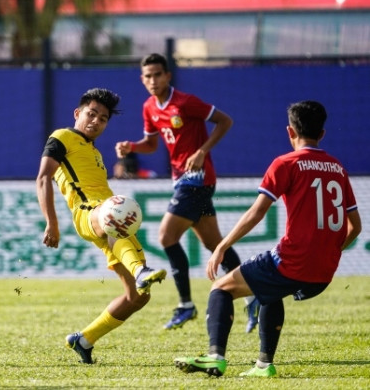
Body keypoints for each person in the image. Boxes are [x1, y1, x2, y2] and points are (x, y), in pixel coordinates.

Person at [174, 100, 361, 377]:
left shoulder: (285, 163)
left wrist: (222, 246)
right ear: (322, 133)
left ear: (289, 132)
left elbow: (257, 211)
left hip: (293, 261)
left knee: (221, 287)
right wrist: (328, 251)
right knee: (270, 290)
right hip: (324, 271)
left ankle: (215, 357)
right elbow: (354, 227)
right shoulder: (337, 168)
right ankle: (264, 365)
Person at [116, 53, 259, 332]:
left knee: (166, 236)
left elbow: (225, 121)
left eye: (158, 74)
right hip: (181, 179)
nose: (153, 80)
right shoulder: (149, 107)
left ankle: (185, 305)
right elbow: (152, 144)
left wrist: (202, 151)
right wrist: (131, 147)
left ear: (168, 76)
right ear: (142, 79)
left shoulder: (186, 102)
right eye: (148, 76)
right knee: (214, 243)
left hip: (197, 178)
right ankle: (253, 296)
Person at [37, 87, 167, 364]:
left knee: (137, 297)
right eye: (91, 114)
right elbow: (42, 178)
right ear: (77, 113)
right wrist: (52, 222)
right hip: (89, 214)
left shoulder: (94, 151)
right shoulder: (62, 137)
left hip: (106, 215)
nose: (96, 121)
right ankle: (141, 269)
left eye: (103, 118)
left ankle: (83, 339)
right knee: (116, 218)